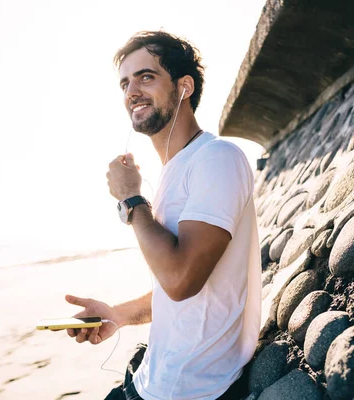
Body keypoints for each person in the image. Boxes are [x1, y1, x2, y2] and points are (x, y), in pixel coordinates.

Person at [64, 31, 261, 400]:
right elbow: (179, 295)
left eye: (146, 76)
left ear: (184, 87)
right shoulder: (177, 169)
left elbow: (182, 279)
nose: (131, 91)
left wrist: (132, 199)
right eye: (125, 82)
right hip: (151, 378)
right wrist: (116, 315)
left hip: (190, 390)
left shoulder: (217, 158)